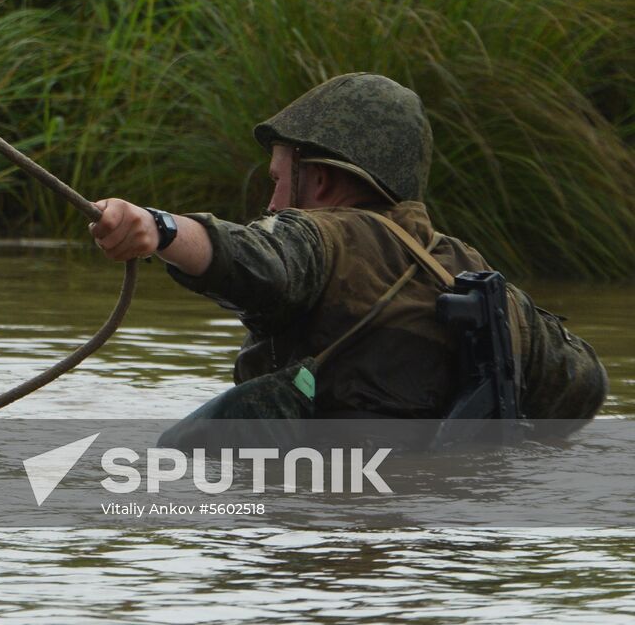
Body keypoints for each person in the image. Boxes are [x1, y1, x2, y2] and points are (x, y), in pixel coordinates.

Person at [88, 72, 607, 423]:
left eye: (278, 180)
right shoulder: (477, 278)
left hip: (325, 545)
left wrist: (160, 229)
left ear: (320, 180)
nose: (270, 202)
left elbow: (255, 259)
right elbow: (583, 385)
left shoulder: (326, 237)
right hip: (436, 558)